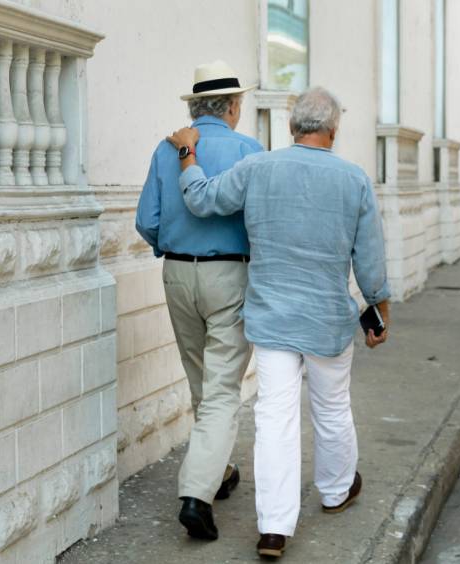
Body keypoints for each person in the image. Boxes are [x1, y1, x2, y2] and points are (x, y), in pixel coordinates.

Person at [165, 87, 391, 559]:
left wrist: (188, 154)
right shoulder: (354, 179)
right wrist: (378, 309)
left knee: (274, 419)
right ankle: (334, 491)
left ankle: (273, 528)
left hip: (270, 318)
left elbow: (203, 201)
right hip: (327, 319)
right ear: (333, 130)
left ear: (291, 127)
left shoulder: (258, 167)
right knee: (331, 408)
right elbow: (369, 258)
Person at [134, 60, 263, 541]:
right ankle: (195, 495)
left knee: (201, 378)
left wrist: (174, 242)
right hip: (229, 272)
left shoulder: (166, 149)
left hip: (176, 272)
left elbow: (147, 219)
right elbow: (261, 221)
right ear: (232, 106)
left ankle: (220, 468)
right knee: (223, 388)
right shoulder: (249, 150)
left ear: (195, 106)